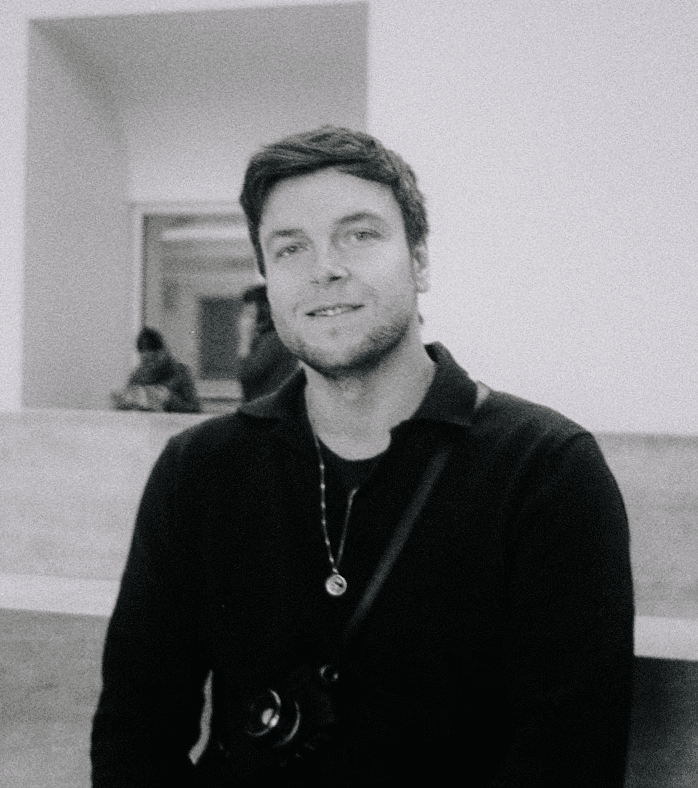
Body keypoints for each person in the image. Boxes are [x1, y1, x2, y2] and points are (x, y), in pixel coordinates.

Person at [92, 127, 634, 787]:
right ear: (268, 278)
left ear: (421, 260)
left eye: (360, 234)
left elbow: (567, 760)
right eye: (290, 247)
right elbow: (136, 733)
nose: (324, 267)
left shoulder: (546, 471)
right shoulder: (200, 470)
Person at [111, 326, 201, 413]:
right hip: (145, 426)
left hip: (172, 426)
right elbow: (129, 414)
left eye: (153, 359)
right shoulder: (138, 375)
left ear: (163, 352)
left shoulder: (181, 373)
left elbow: (195, 410)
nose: (150, 366)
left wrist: (170, 400)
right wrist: (123, 404)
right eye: (145, 361)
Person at [235, 284, 299, 401]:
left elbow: (247, 375)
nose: (244, 318)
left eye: (249, 313)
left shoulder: (273, 340)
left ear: (263, 310)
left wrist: (244, 339)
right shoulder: (274, 337)